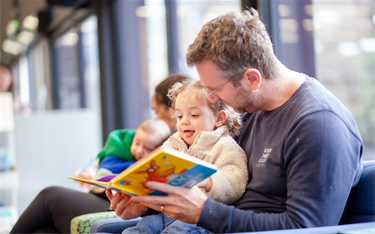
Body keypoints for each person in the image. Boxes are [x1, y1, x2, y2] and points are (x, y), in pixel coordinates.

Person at [106, 8, 364, 233]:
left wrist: (203, 212)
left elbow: (307, 228)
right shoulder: (252, 110)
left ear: (252, 79)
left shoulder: (318, 124)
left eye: (215, 89)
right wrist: (152, 203)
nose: (211, 97)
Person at [10, 74, 190, 234]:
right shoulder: (154, 139)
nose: (155, 118)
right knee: (43, 231)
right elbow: (109, 158)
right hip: (121, 200)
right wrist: (95, 171)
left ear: (171, 112)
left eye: (157, 111)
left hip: (129, 206)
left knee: (48, 197)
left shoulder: (173, 144)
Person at [120, 79, 248, 234]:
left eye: (194, 115)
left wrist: (209, 181)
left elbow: (236, 182)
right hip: (165, 213)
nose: (184, 121)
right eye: (179, 116)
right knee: (142, 227)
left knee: (179, 231)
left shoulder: (225, 147)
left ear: (219, 118)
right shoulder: (172, 145)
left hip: (199, 218)